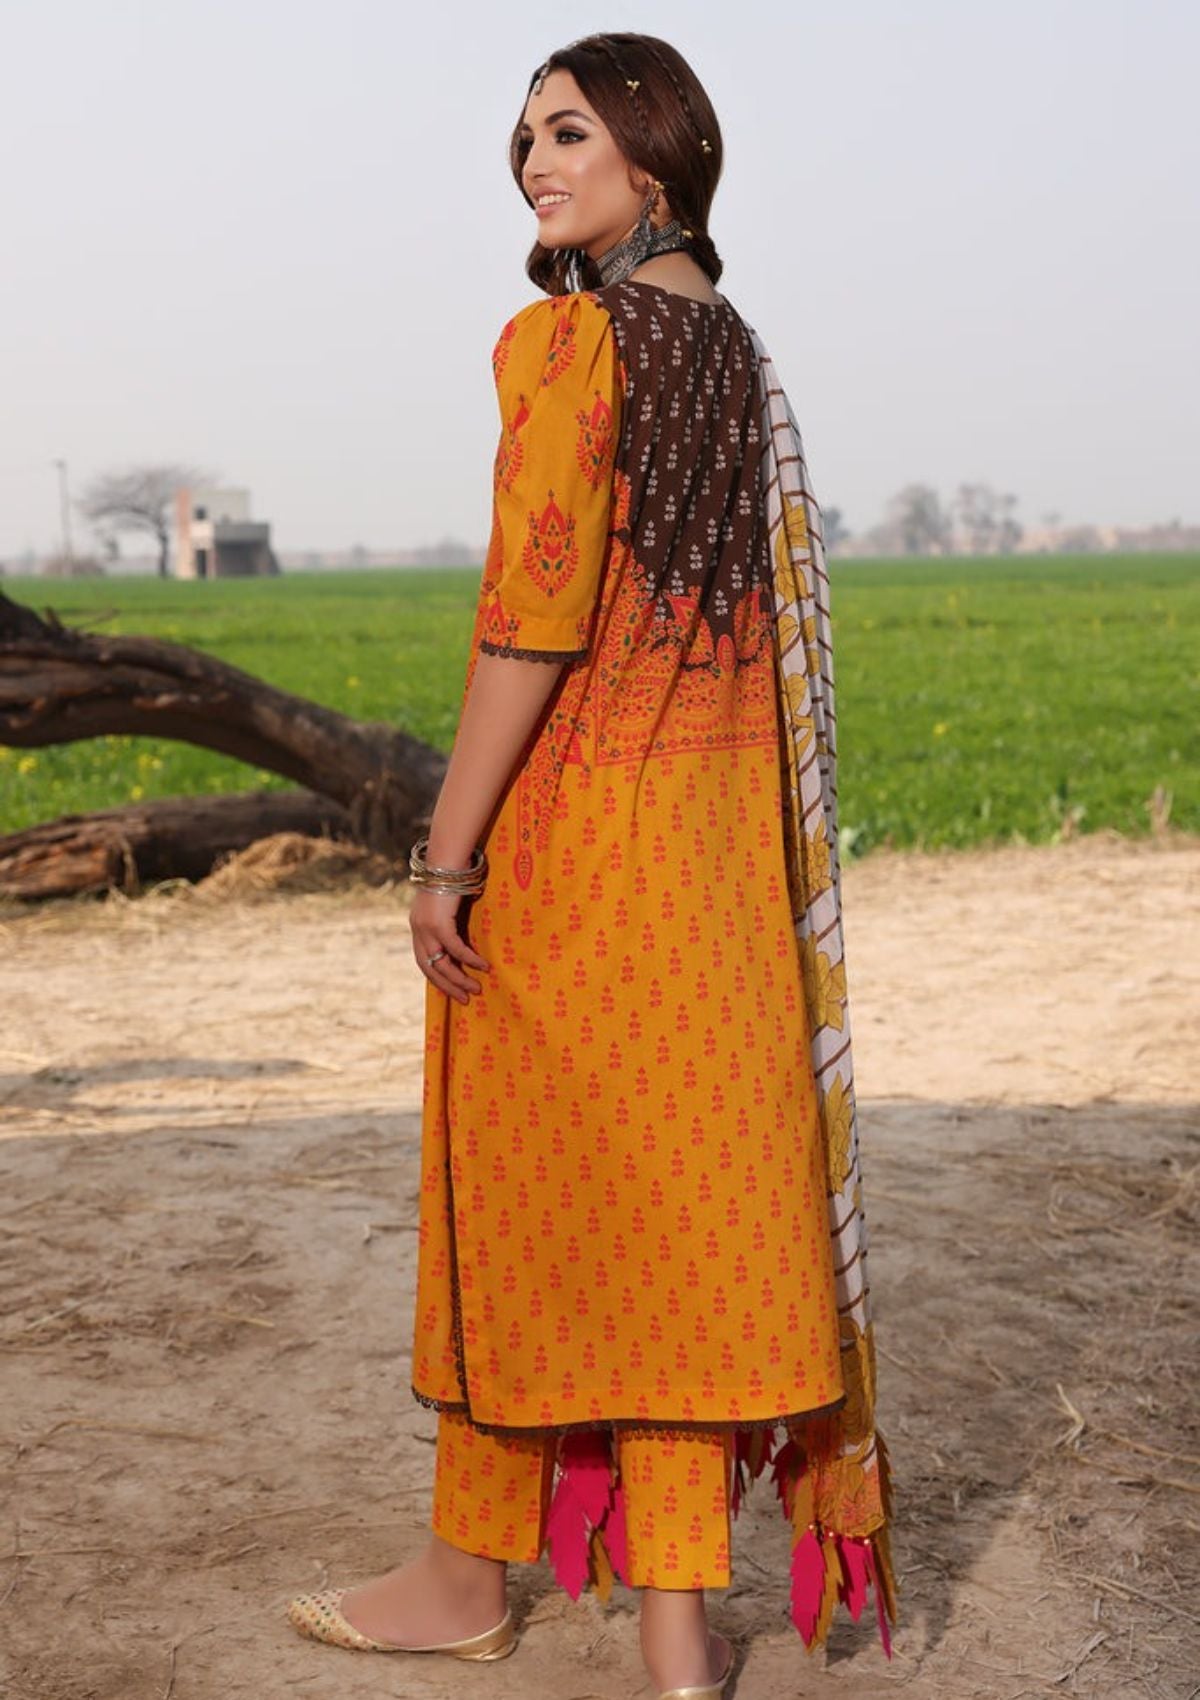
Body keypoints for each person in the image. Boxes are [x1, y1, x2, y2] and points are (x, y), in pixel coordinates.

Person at [286, 30, 897, 1699]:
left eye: (568, 133)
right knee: (681, 1217)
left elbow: (531, 622)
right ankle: (679, 1635)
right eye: (524, 141)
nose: (535, 165)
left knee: (525, 1208)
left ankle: (462, 1575)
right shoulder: (739, 358)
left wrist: (444, 856)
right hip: (715, 872)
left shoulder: (570, 344)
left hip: (578, 844)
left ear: (656, 151)